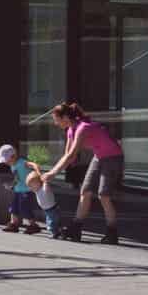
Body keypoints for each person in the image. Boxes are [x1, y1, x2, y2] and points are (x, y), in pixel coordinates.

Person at [36, 102, 124, 244]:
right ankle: (75, 228)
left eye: (56, 120)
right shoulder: (71, 130)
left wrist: (52, 173)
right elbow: (68, 155)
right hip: (99, 156)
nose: (56, 124)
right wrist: (53, 171)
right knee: (86, 191)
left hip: (113, 157)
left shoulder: (83, 128)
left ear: (64, 117)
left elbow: (70, 156)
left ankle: (112, 232)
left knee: (103, 195)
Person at [0, 144, 42, 234]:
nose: (6, 163)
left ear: (14, 156)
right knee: (14, 208)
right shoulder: (12, 165)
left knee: (25, 208)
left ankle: (33, 225)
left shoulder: (22, 162)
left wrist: (38, 173)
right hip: (18, 190)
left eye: (7, 161)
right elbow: (17, 178)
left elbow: (34, 164)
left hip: (26, 190)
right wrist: (11, 185)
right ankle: (14, 224)